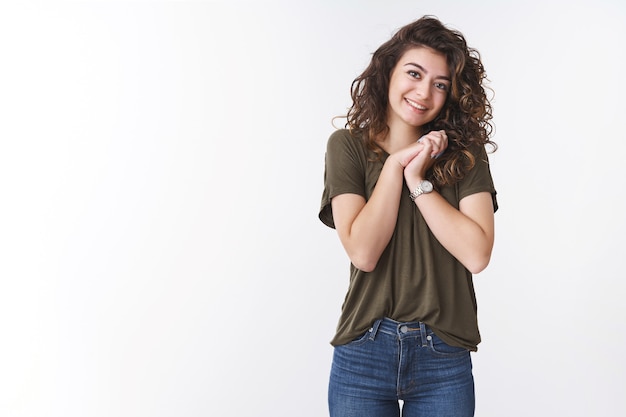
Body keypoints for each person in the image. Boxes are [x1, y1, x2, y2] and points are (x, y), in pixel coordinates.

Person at [318, 15, 498, 417]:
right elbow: (363, 252)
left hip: (443, 354)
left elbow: (476, 254)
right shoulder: (346, 147)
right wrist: (395, 166)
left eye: (440, 84)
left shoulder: (466, 154)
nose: (424, 92)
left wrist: (417, 178)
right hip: (364, 349)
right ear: (387, 73)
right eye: (414, 74)